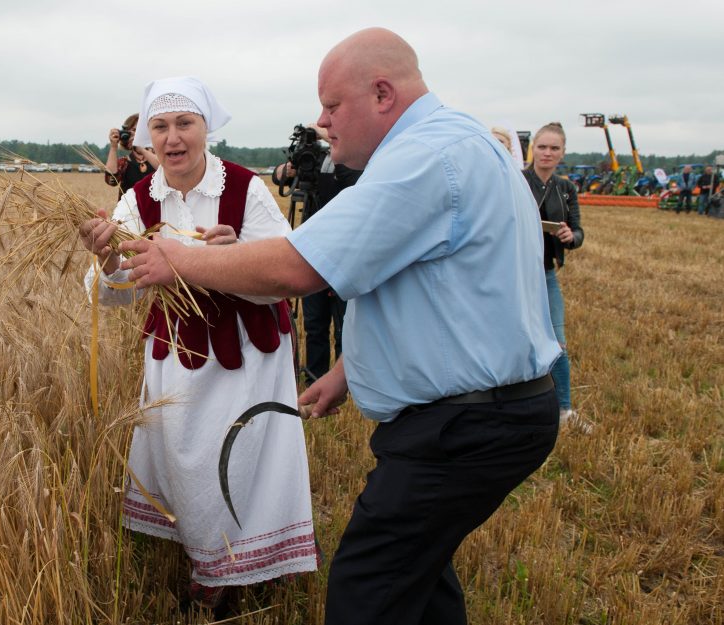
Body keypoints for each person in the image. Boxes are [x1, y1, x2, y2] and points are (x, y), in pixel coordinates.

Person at [118, 28, 562, 625]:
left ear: (382, 93)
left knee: (366, 590)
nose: (321, 121)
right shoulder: (462, 142)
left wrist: (181, 260)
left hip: (459, 428)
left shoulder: (422, 160)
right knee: (421, 586)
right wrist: (348, 374)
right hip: (482, 414)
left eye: (331, 104)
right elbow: (442, 296)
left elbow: (298, 265)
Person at [78, 77, 318, 612]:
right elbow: (108, 296)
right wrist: (108, 258)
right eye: (160, 127)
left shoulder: (244, 189)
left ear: (207, 128)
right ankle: (207, 558)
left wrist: (238, 252)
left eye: (185, 124)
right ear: (148, 137)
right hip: (179, 353)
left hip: (248, 352)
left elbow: (288, 263)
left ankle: (244, 566)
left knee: (246, 455)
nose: (173, 138)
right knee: (188, 456)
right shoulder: (139, 198)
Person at [272, 124, 362, 383]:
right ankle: (315, 375)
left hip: (343, 248)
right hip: (312, 248)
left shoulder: (350, 159)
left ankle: (346, 379)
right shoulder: (313, 156)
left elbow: (354, 178)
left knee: (345, 322)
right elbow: (280, 178)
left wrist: (331, 139)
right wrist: (291, 165)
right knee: (314, 321)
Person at [522, 122, 590, 433]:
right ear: (532, 148)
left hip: (546, 274)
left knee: (558, 343)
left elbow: (578, 233)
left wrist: (568, 235)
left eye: (554, 148)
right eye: (542, 147)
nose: (547, 153)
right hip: (514, 275)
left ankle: (564, 410)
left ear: (562, 153)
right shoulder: (517, 181)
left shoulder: (566, 189)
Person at [103, 113, 159, 198]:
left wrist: (142, 149)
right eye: (132, 131)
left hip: (156, 209)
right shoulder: (124, 162)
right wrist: (114, 146)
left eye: (138, 130)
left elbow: (167, 171)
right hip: (129, 210)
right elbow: (111, 180)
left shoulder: (160, 157)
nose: (135, 134)